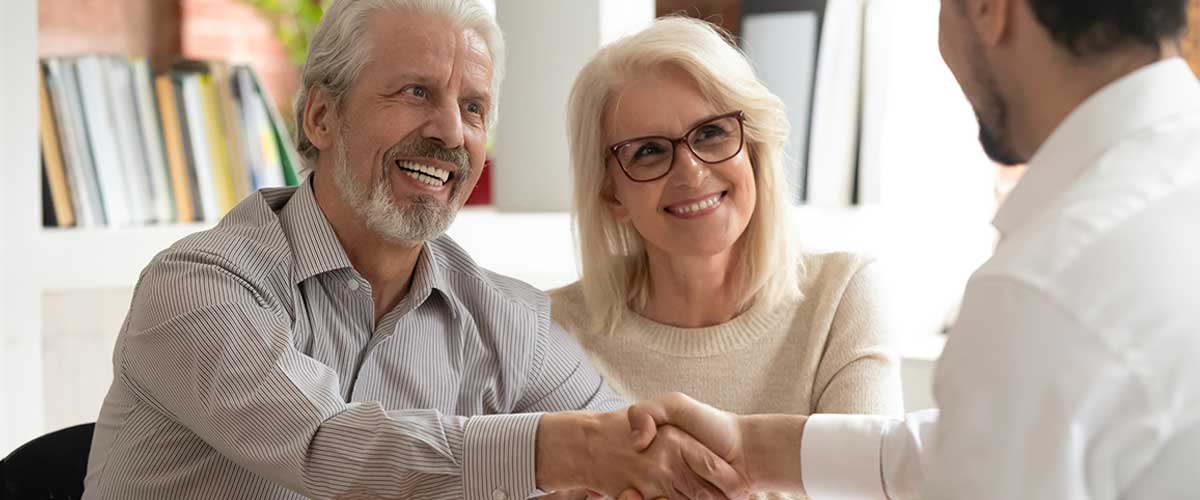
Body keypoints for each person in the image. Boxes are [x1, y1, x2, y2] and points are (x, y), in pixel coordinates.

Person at [80, 1, 750, 499]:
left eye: (475, 107)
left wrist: (683, 464)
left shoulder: (506, 320)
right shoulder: (198, 287)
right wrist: (560, 450)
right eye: (415, 93)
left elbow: (630, 443)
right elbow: (327, 445)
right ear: (321, 117)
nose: (450, 132)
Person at [623, 0, 1200, 499]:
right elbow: (993, 443)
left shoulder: (1044, 289)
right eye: (648, 151)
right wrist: (752, 450)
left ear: (989, 9)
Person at [548, 16, 902, 499]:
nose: (691, 172)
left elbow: (866, 489)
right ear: (611, 192)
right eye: (649, 151)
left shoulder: (842, 295)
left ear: (753, 149)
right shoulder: (549, 331)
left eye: (711, 133)